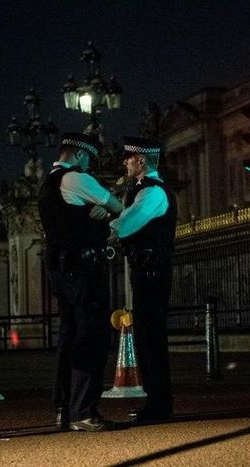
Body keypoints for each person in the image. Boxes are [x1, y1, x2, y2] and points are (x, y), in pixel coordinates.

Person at [38, 132, 123, 432]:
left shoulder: (47, 184)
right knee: (92, 338)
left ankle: (63, 407)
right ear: (77, 154)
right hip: (84, 269)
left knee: (69, 338)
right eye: (88, 159)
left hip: (60, 270)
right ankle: (84, 411)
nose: (89, 166)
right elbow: (116, 205)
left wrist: (90, 214)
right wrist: (101, 215)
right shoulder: (75, 179)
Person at [108, 136, 177, 423]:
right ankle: (156, 401)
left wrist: (104, 231)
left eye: (129, 157)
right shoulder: (141, 190)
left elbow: (129, 222)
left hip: (152, 270)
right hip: (144, 270)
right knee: (146, 337)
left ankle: (160, 404)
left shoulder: (154, 193)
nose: (125, 161)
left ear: (142, 160)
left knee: (151, 338)